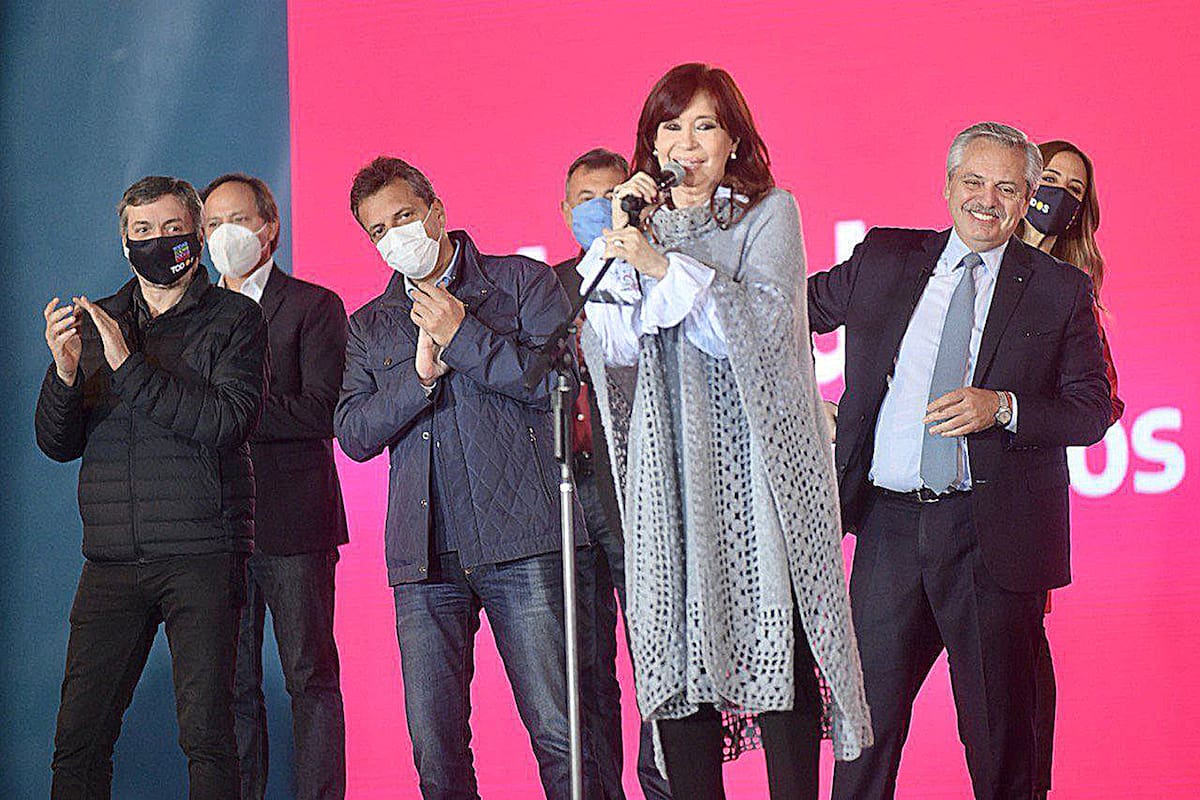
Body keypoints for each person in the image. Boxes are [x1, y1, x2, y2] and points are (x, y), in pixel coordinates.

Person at [578, 63, 872, 800]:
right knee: (677, 645)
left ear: (732, 136)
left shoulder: (771, 213)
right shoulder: (634, 225)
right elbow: (609, 344)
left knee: (779, 630)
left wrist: (661, 265)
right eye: (670, 127)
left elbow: (769, 327)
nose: (686, 142)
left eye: (703, 125)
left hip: (757, 458)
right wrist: (625, 239)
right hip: (668, 462)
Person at [809, 123, 1113, 800]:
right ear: (947, 186)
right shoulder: (884, 258)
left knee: (1001, 744)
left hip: (990, 541)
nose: (988, 199)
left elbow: (1093, 409)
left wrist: (1003, 406)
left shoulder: (1057, 289)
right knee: (863, 735)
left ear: (1027, 198)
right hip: (887, 533)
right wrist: (807, 401)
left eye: (1007, 187)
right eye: (974, 181)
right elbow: (784, 317)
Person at [334, 156, 598, 800]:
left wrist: (462, 336)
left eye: (404, 216)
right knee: (435, 751)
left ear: (437, 212)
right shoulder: (371, 325)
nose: (394, 235)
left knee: (561, 732)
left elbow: (554, 386)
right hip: (425, 561)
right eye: (377, 230)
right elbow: (354, 432)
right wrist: (419, 377)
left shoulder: (521, 283)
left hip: (523, 542)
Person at [36, 175, 269, 799]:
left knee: (209, 737)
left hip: (202, 554)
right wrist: (63, 377)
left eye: (171, 229)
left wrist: (128, 367)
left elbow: (226, 422)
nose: (157, 242)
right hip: (111, 561)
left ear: (194, 234)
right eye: (142, 232)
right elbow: (57, 444)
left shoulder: (235, 319)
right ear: (123, 242)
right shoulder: (100, 321)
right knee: (79, 739)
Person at [202, 173, 349, 800]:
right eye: (211, 225)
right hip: (215, 526)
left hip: (295, 524)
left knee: (309, 679)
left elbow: (322, 409)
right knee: (231, 686)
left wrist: (228, 410)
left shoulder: (314, 306)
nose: (223, 235)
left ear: (270, 227)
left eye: (237, 220)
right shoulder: (195, 314)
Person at [554, 147, 672, 800]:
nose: (598, 209)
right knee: (585, 670)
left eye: (612, 195)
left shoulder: (658, 277)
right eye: (585, 199)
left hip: (641, 492)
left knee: (656, 654)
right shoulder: (550, 288)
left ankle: (664, 787)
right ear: (564, 209)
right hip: (570, 496)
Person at [1020, 139, 1124, 800]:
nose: (1057, 193)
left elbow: (1098, 406)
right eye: (1049, 177)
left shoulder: (1070, 296)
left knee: (1018, 713)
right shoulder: (954, 264)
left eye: (1073, 190)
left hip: (1017, 520)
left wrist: (1009, 410)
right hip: (922, 515)